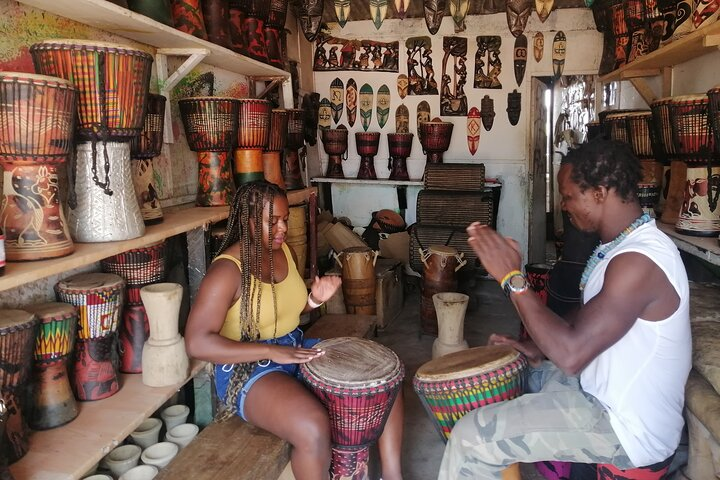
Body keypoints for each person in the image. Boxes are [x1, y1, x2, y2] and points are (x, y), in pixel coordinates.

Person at [438, 138, 691, 479]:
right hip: (598, 390)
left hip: (626, 427)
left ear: (600, 193)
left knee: (471, 439)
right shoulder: (624, 245)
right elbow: (592, 315)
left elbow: (571, 356)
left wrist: (513, 277)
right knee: (502, 378)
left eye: (569, 195)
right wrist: (534, 347)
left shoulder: (640, 261)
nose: (564, 205)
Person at [185, 181, 405, 480]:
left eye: (285, 219)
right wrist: (272, 351)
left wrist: (315, 299)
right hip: (245, 368)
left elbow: (289, 310)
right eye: (271, 221)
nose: (282, 228)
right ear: (248, 221)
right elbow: (197, 343)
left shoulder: (283, 252)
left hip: (294, 346)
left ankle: (393, 476)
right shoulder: (226, 271)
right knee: (312, 427)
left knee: (381, 379)